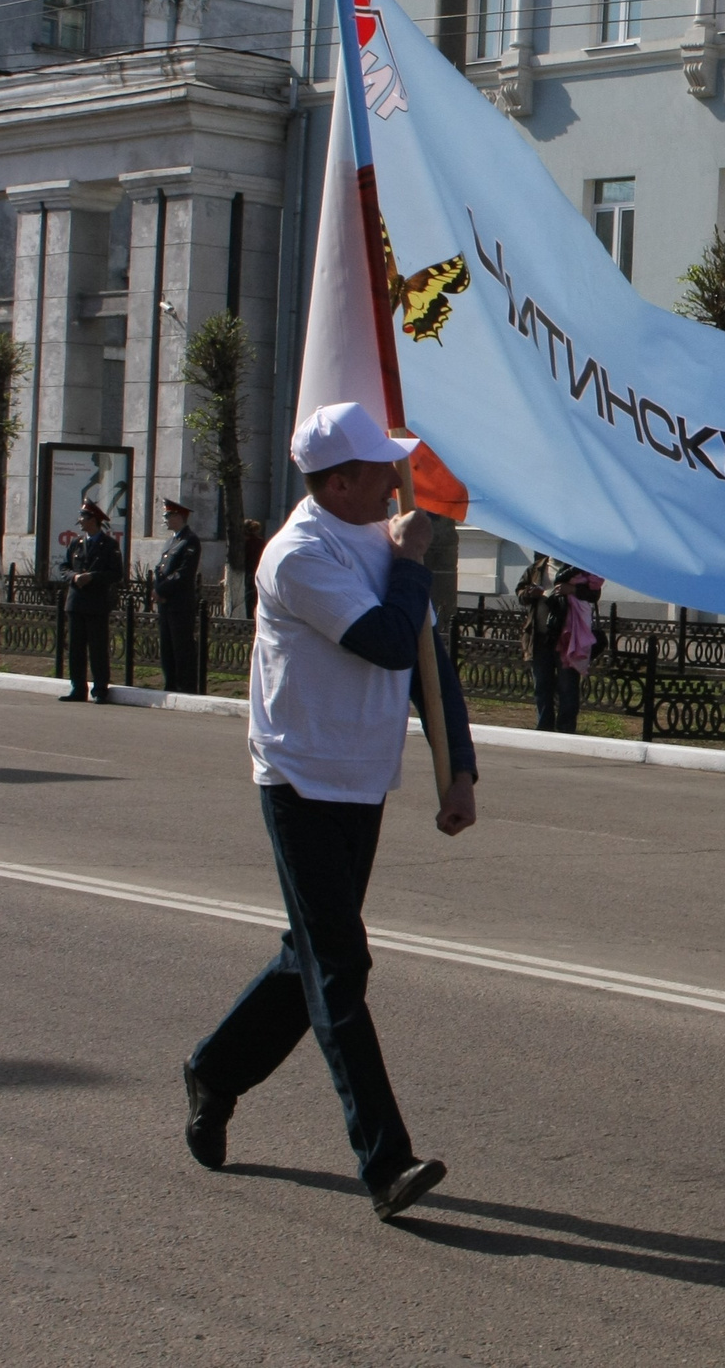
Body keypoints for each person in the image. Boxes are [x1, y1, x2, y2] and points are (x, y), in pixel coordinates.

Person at [181, 400, 479, 1223]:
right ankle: (385, 1162)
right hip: (301, 778)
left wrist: (460, 773)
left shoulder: (382, 541)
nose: (396, 476)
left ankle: (214, 1070)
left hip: (361, 777)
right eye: (380, 466)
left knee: (307, 958)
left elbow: (427, 662)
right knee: (341, 965)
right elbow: (384, 639)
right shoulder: (298, 555)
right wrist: (414, 559)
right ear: (339, 479)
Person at [517, 553, 603, 733]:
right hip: (540, 637)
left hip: (567, 638)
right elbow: (520, 591)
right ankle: (544, 727)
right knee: (542, 686)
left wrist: (571, 590)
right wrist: (529, 593)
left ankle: (566, 729)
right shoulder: (537, 567)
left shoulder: (577, 567)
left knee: (567, 686)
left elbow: (594, 594)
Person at [59, 500, 123, 703]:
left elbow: (116, 573)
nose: (80, 521)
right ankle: (78, 689)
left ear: (93, 520)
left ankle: (100, 690)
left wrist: (93, 576)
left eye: (83, 517)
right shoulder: (76, 543)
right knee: (76, 649)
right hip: (76, 602)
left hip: (96, 604)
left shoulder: (109, 545)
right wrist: (74, 577)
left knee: (97, 649)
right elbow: (63, 568)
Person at [153, 497, 203, 693]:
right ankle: (170, 683)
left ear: (179, 516)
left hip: (180, 603)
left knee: (181, 646)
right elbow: (161, 569)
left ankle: (185, 686)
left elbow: (184, 572)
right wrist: (157, 589)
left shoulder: (190, 540)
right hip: (166, 603)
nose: (164, 518)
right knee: (167, 647)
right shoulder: (172, 541)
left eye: (167, 515)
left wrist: (162, 590)